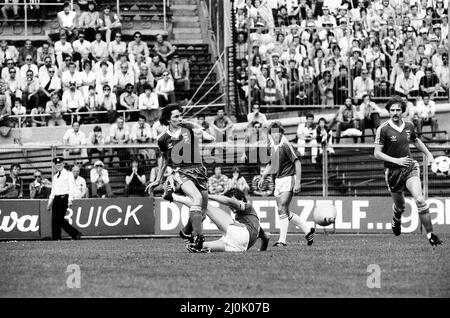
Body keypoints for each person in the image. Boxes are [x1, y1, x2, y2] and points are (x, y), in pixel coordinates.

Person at [373, 96, 442, 247]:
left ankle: (430, 234)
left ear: (403, 111)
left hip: (410, 167)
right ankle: (396, 217)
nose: (395, 112)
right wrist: (396, 160)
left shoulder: (409, 125)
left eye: (398, 109)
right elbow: (377, 153)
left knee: (420, 200)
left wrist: (429, 154)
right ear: (389, 111)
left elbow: (416, 141)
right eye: (392, 110)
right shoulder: (383, 129)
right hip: (392, 172)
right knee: (401, 206)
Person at [148, 103, 215, 253]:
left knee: (202, 213)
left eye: (180, 115)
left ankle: (185, 232)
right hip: (181, 172)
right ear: (168, 119)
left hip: (200, 170)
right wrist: (158, 180)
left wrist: (203, 136)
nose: (180, 118)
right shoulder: (162, 139)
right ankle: (198, 239)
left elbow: (210, 138)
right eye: (176, 116)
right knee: (196, 198)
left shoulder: (189, 126)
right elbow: (165, 160)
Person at [259, 121, 315, 247]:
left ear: (281, 133)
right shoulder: (270, 147)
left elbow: (297, 162)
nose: (275, 135)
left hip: (289, 178)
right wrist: (263, 177)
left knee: (282, 208)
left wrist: (298, 182)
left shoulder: (286, 146)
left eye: (278, 132)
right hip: (277, 181)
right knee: (284, 212)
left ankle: (282, 241)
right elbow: (271, 164)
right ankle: (308, 230)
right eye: (273, 133)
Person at [168, 186, 270, 252]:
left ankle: (174, 197)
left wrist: (207, 196)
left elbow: (229, 202)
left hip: (240, 235)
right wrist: (262, 250)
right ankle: (192, 239)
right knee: (196, 246)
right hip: (238, 248)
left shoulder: (247, 206)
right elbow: (266, 238)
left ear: (242, 199)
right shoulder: (254, 222)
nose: (231, 207)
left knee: (205, 205)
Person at [46, 157, 82, 240]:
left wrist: (70, 200)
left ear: (63, 164)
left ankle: (75, 233)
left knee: (59, 219)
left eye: (60, 164)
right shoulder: (55, 177)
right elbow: (53, 191)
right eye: (57, 165)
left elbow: (71, 188)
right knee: (54, 220)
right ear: (55, 166)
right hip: (56, 199)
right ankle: (56, 237)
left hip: (64, 198)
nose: (59, 166)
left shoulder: (69, 174)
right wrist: (49, 203)